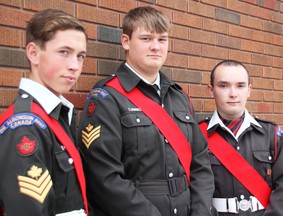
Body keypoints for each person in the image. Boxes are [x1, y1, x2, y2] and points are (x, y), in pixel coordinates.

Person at [78, 6, 215, 216]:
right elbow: (104, 177)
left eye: (162, 40)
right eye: (146, 39)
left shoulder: (180, 97)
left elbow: (201, 163)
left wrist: (200, 212)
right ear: (126, 41)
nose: (155, 47)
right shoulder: (107, 98)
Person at [0, 9, 88, 215]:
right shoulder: (25, 126)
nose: (75, 66)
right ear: (33, 53)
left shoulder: (56, 116)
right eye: (64, 52)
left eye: (80, 56)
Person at [198, 60, 283, 215]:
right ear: (211, 90)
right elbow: (194, 188)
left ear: (249, 90)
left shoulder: (271, 134)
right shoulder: (197, 135)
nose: (233, 93)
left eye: (240, 86)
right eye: (223, 85)